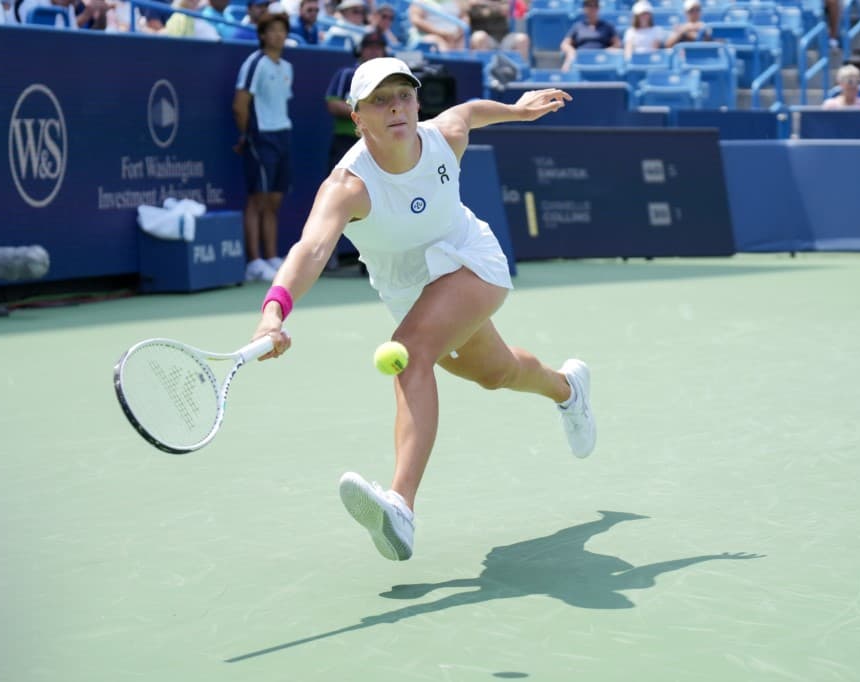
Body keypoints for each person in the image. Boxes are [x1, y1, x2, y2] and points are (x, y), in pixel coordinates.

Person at [249, 57, 594, 561]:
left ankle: (400, 508)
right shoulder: (348, 186)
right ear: (357, 116)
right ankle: (569, 389)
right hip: (410, 290)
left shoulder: (441, 137)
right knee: (496, 373)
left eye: (404, 96)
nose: (396, 108)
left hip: (470, 261)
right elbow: (312, 250)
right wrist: (274, 311)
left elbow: (468, 112)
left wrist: (517, 111)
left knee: (409, 355)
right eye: (380, 101)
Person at [233, 10, 294, 281]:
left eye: (282, 30)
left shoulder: (286, 67)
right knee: (258, 199)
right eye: (273, 30)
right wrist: (247, 135)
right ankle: (253, 261)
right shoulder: (254, 63)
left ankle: (270, 256)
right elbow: (240, 105)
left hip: (283, 136)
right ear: (262, 35)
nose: (279, 35)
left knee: (274, 200)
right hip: (261, 137)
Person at [326, 31, 389, 173]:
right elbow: (333, 104)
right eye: (369, 47)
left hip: (378, 142)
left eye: (378, 48)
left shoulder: (389, 80)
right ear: (360, 50)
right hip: (346, 140)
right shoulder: (347, 74)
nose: (374, 52)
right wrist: (367, 114)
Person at [560, 0, 621, 71]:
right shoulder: (578, 26)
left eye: (595, 5)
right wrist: (571, 51)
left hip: (601, 59)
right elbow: (564, 44)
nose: (592, 8)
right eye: (589, 5)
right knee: (568, 60)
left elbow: (617, 43)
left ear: (598, 8)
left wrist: (608, 51)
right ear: (584, 8)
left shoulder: (607, 26)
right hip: (581, 58)